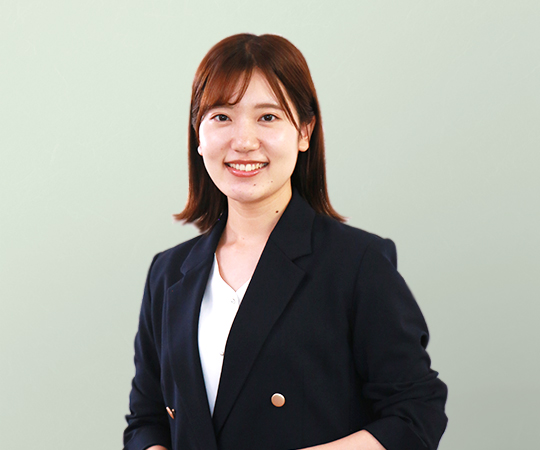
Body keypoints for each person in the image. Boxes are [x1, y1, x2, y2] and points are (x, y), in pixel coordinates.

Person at [123, 33, 448, 450]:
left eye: (267, 117)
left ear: (304, 132)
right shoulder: (168, 272)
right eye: (221, 116)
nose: (243, 141)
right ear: (198, 135)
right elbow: (147, 419)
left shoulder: (357, 263)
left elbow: (416, 412)